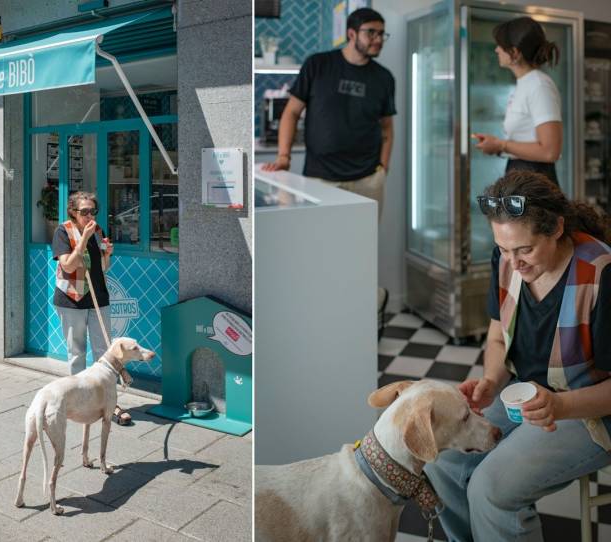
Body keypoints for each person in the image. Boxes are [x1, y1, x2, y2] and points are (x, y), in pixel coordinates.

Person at [424, 171, 611, 542]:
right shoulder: (507, 260)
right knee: (443, 460)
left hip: (590, 413)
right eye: (504, 249)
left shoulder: (601, 274)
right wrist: (492, 381)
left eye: (524, 249)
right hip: (529, 395)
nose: (513, 262)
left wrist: (558, 405)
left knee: (491, 489)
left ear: (557, 228)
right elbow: (497, 335)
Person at [261, 7, 395, 218]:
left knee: (363, 246)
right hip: (320, 178)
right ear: (351, 34)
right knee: (319, 244)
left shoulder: (384, 78)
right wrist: (283, 156)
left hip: (368, 180)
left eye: (381, 34)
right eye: (371, 32)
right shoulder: (318, 64)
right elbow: (291, 113)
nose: (378, 39)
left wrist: (383, 168)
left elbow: (386, 128)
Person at [52, 191, 131, 426]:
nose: (89, 215)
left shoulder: (98, 230)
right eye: (84, 211)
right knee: (76, 352)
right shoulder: (62, 231)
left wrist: (107, 255)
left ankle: (110, 401)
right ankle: (78, 400)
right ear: (73, 212)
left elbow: (103, 267)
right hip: (72, 299)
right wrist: (84, 239)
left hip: (98, 297)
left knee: (104, 352)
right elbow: (67, 265)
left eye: (92, 211)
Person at [473, 16, 562, 185]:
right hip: (522, 175)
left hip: (536, 182)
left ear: (515, 53)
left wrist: (501, 145)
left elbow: (550, 151)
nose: (496, 50)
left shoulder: (539, 86)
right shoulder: (525, 83)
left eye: (501, 46)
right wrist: (496, 146)